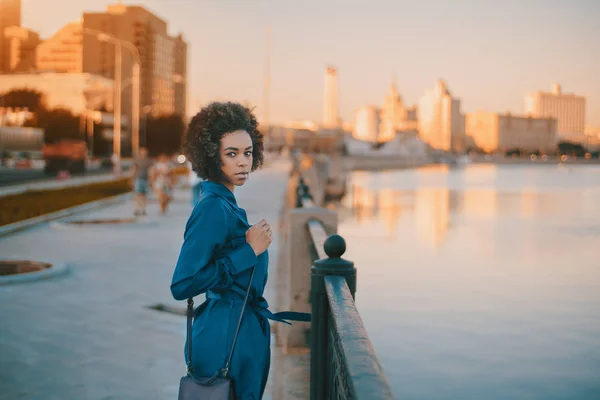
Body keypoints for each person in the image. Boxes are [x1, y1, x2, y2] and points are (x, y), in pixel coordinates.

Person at [170, 102, 308, 399]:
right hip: (225, 336)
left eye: (247, 152)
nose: (243, 162)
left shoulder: (226, 205)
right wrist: (248, 251)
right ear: (210, 155)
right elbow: (183, 284)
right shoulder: (212, 209)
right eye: (231, 153)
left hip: (240, 332)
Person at [130, 147, 153, 216]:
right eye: (142, 151)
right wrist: (131, 179)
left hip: (145, 179)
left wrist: (151, 180)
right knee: (137, 194)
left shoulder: (148, 160)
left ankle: (143, 209)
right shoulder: (137, 160)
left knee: (144, 195)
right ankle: (136, 208)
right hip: (138, 179)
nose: (144, 152)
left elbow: (151, 171)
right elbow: (133, 169)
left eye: (145, 151)